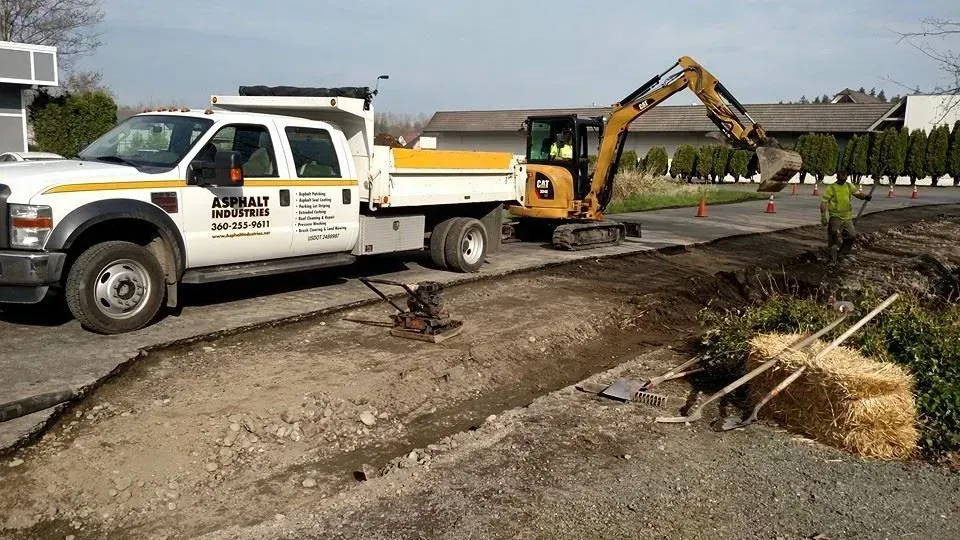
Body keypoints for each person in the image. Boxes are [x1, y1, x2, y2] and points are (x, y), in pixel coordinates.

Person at [820, 171, 870, 263]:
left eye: (844, 179)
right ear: (837, 178)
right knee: (833, 236)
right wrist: (823, 216)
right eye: (841, 179)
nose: (842, 181)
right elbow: (824, 202)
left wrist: (865, 197)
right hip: (835, 217)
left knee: (851, 236)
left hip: (847, 217)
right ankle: (832, 258)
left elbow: (858, 194)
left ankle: (842, 255)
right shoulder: (831, 188)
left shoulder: (849, 186)